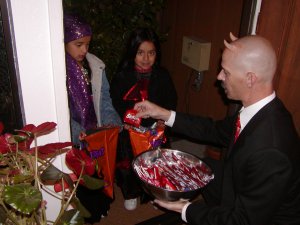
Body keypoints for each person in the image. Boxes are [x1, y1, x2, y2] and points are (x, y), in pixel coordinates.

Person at [133, 34, 300, 225]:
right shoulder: (258, 110)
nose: (219, 76)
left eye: (226, 72)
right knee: (202, 167)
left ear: (250, 79)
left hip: (261, 219)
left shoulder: (270, 149)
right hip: (241, 184)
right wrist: (162, 113)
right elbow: (213, 130)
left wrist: (186, 210)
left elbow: (242, 221)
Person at [110, 27, 177, 210]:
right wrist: (127, 118)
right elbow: (115, 99)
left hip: (155, 129)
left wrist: (163, 120)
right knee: (129, 164)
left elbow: (171, 99)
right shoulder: (123, 76)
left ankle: (154, 195)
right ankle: (131, 193)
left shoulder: (162, 76)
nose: (146, 59)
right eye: (140, 53)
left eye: (151, 53)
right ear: (133, 53)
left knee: (156, 164)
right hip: (131, 129)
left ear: (157, 54)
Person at [64, 14, 122, 224]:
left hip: (96, 133)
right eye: (78, 44)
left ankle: (101, 207)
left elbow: (104, 99)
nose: (84, 50)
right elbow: (61, 111)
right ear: (64, 42)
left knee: (101, 173)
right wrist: (77, 132)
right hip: (76, 136)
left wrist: (111, 121)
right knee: (81, 181)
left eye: (87, 44)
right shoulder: (57, 71)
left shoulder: (94, 66)